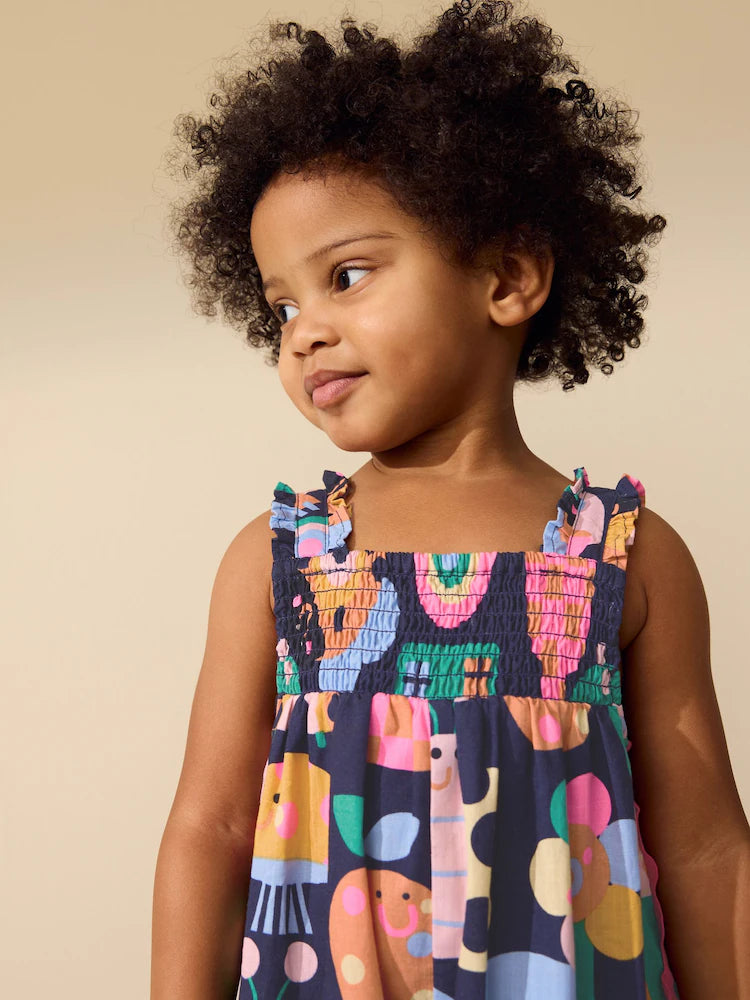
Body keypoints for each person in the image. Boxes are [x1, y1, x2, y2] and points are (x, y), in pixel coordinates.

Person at [150, 2, 750, 998]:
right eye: (282, 305)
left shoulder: (624, 557)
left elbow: (705, 848)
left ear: (506, 277)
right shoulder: (280, 561)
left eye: (346, 275)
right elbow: (210, 828)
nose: (302, 332)